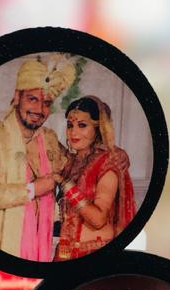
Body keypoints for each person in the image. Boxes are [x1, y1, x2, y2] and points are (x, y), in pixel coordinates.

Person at [0, 56, 74, 260]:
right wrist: (31, 190)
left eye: (46, 103)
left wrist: (109, 154)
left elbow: (74, 165)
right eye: (32, 99)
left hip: (41, 246)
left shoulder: (48, 138)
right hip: (1, 248)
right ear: (16, 97)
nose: (39, 110)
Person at [55, 95, 136, 261]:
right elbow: (43, 139)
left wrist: (65, 184)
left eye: (82, 125)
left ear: (98, 128)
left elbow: (98, 219)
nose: (73, 132)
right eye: (70, 125)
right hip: (65, 253)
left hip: (94, 252)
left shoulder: (108, 163)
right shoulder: (69, 162)